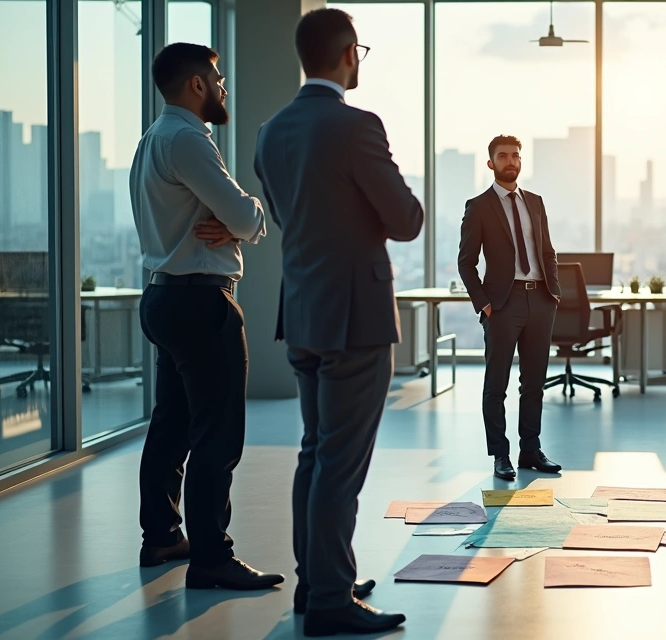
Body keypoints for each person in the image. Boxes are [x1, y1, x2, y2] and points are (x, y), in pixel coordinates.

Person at [254, 8, 423, 635]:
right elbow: (405, 219)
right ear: (350, 53)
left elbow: (288, 214)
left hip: (300, 312)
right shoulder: (356, 127)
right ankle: (329, 599)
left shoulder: (270, 131)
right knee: (340, 464)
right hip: (354, 316)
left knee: (315, 453)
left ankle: (316, 583)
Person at [130, 42, 282, 591]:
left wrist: (231, 218)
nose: (223, 87)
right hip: (200, 301)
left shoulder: (152, 139)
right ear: (196, 85)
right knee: (218, 435)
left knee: (171, 428)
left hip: (164, 297)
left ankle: (164, 536)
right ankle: (212, 557)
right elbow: (244, 215)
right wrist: (247, 216)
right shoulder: (190, 139)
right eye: (216, 78)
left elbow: (223, 218)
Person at [458, 135, 563, 481]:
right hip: (503, 304)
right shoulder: (479, 206)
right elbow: (466, 263)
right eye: (503, 156)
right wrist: (485, 305)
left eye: (516, 155)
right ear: (491, 163)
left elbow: (547, 251)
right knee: (496, 384)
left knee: (534, 382)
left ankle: (530, 450)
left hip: (540, 301)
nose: (511, 161)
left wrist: (554, 294)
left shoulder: (536, 202)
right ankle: (500, 455)